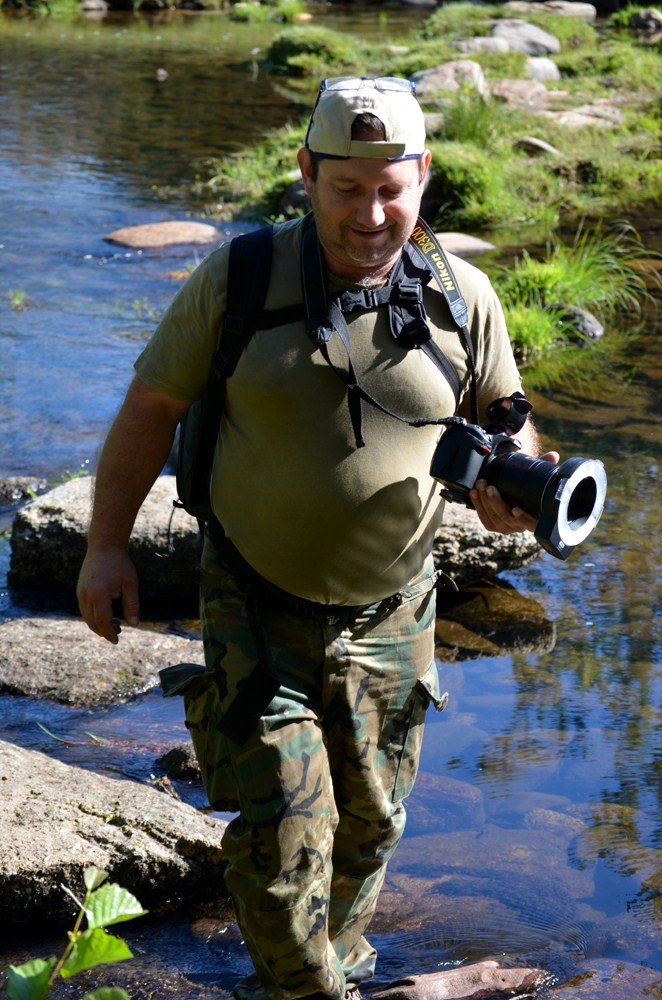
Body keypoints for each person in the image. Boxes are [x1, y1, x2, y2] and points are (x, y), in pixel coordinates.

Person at [77, 77, 558, 1000]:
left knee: (371, 825)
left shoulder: (464, 295)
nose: (372, 214)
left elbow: (510, 420)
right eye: (347, 188)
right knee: (288, 835)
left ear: (424, 176)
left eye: (392, 188)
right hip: (256, 606)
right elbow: (152, 408)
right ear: (305, 173)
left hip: (396, 611)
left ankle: (323, 970)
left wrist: (516, 484)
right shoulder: (241, 277)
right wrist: (106, 547)